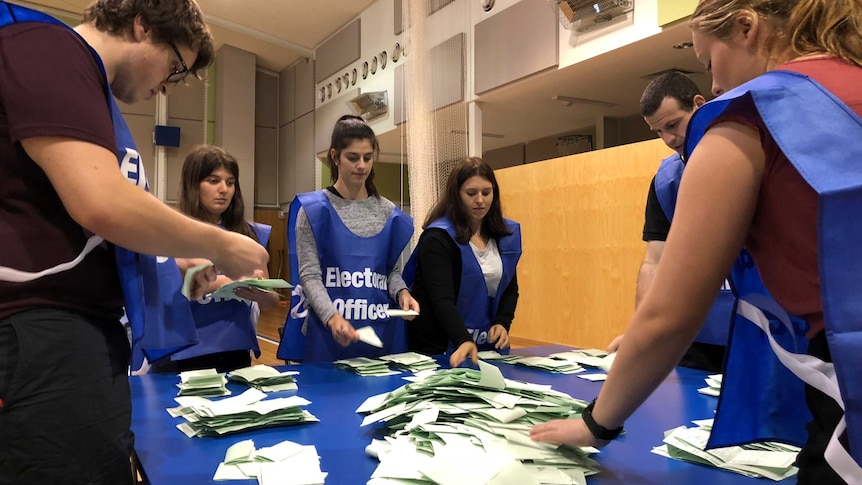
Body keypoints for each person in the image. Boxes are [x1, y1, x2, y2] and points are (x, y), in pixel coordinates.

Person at [531, 0, 862, 482]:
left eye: (710, 62)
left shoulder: (747, 117)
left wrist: (595, 423)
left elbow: (671, 313)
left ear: (748, 27)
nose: (715, 84)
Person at [0, 1, 269, 483]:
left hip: (72, 338)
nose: (170, 84)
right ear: (143, 25)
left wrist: (177, 260)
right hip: (41, 332)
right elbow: (100, 202)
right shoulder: (49, 48)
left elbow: (98, 225)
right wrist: (222, 243)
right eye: (176, 66)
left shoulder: (89, 93)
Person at [607, 71, 733, 372]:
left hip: (757, 332)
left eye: (673, 125)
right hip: (695, 335)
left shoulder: (745, 154)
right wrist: (640, 331)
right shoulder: (666, 182)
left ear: (699, 104)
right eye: (658, 132)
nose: (668, 139)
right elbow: (655, 261)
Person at [276, 115, 419, 363]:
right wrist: (332, 317)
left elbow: (391, 272)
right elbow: (309, 276)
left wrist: (403, 293)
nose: (361, 165)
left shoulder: (388, 212)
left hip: (380, 334)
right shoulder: (313, 210)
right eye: (352, 157)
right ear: (335, 156)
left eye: (368, 157)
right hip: (328, 335)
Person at [152, 145, 278, 373]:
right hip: (181, 352)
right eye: (213, 180)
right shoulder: (171, 230)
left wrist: (261, 292)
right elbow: (166, 286)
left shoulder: (250, 234)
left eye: (230, 183)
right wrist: (224, 283)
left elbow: (270, 302)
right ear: (194, 184)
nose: (224, 189)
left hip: (234, 350)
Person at [403, 157, 522, 368]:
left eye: (486, 193)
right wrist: (463, 339)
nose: (480, 200)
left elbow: (509, 289)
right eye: (471, 193)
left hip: (485, 348)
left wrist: (502, 322)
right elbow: (441, 299)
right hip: (438, 347)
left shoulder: (504, 236)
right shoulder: (438, 237)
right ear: (456, 195)